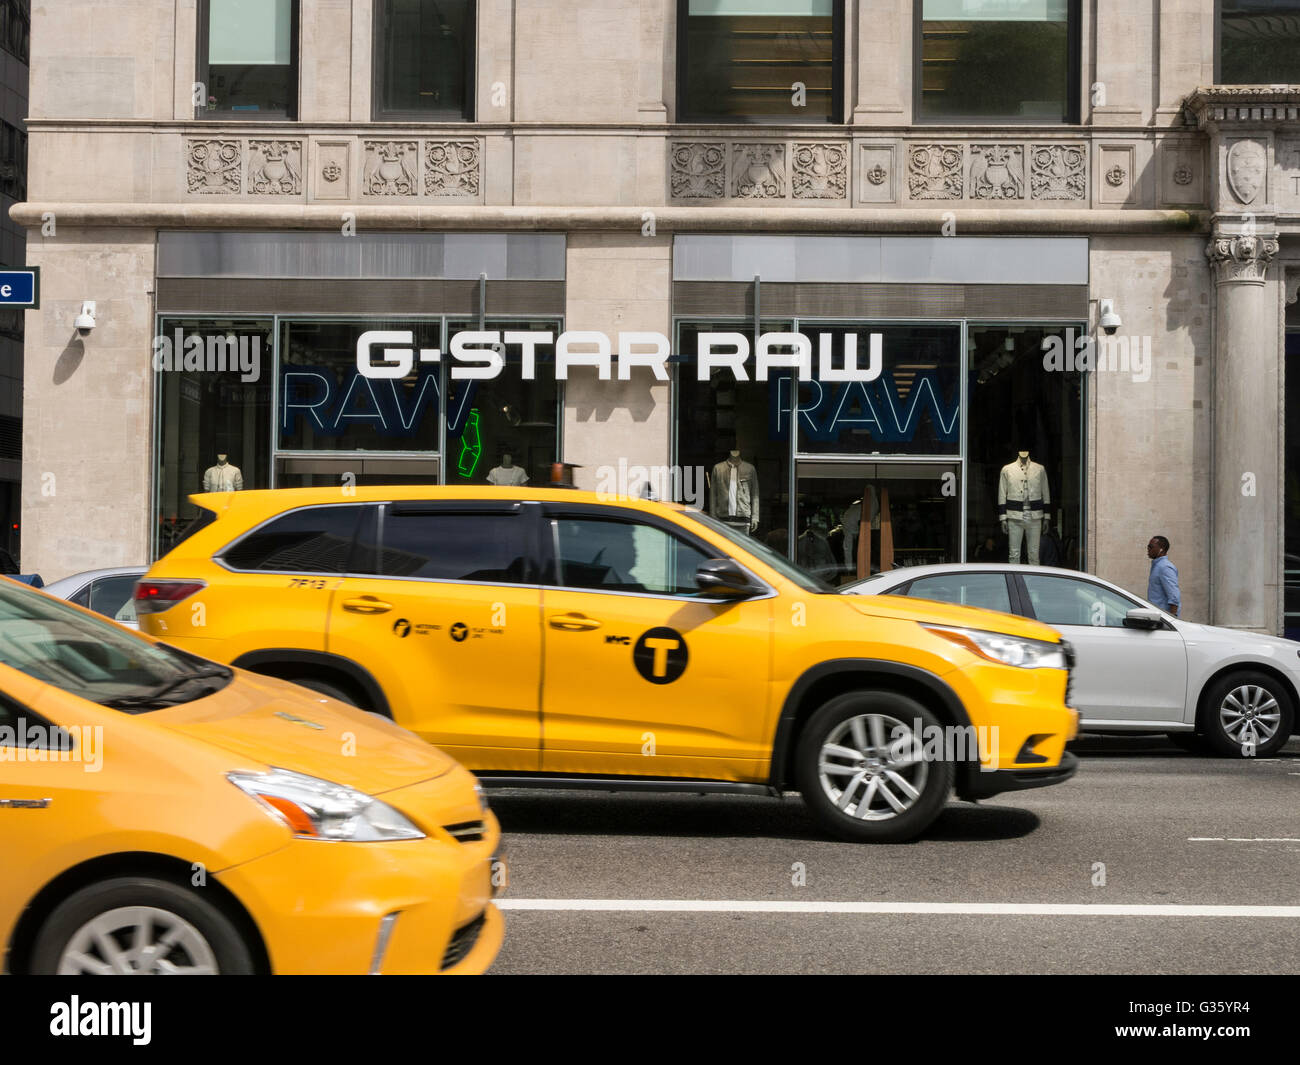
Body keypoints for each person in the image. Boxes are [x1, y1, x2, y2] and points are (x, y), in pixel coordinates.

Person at [1147, 535, 1180, 617]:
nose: (1148, 549)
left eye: (1151, 547)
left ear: (1161, 549)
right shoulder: (1157, 565)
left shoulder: (1165, 567)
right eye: (1148, 546)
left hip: (1163, 619)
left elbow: (1174, 596)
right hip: (1155, 616)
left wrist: (1172, 620)